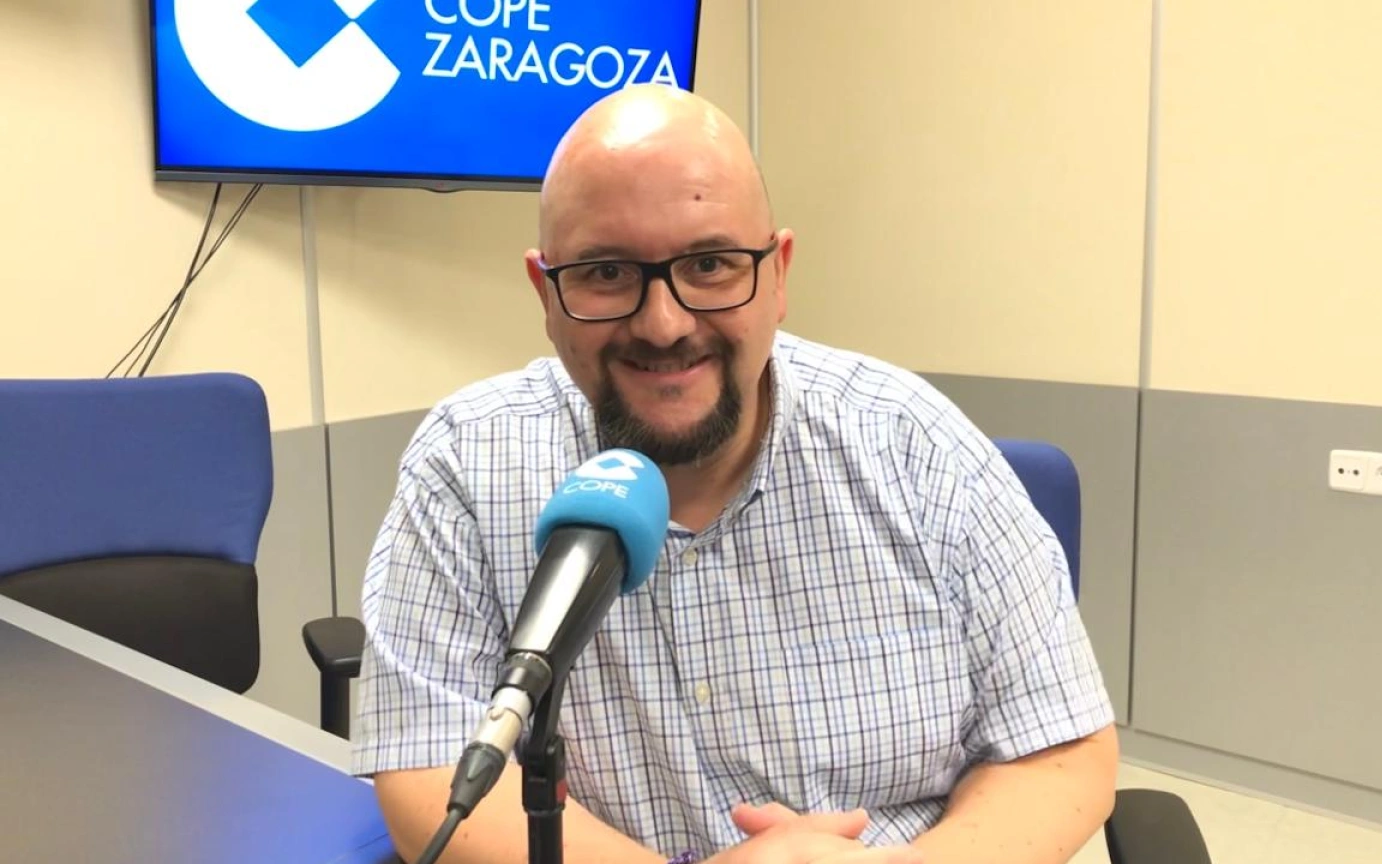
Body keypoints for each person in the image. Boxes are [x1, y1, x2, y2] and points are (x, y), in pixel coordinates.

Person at [352, 83, 1119, 864]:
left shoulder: (915, 445)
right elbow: (429, 772)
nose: (663, 324)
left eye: (711, 264)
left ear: (778, 274)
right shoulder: (467, 464)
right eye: (606, 272)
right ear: (546, 292)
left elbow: (1062, 750)